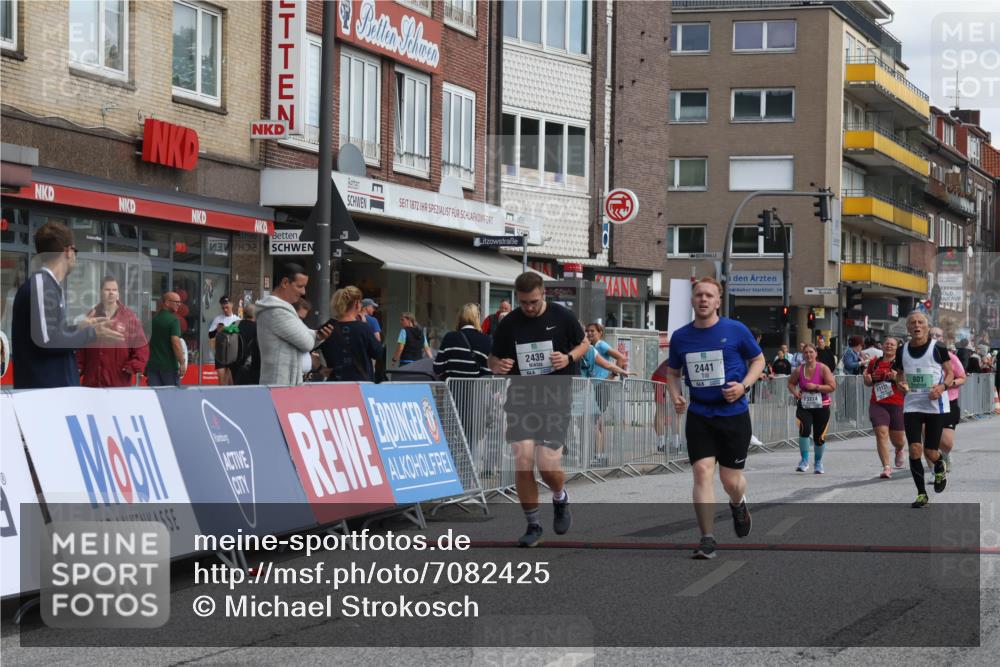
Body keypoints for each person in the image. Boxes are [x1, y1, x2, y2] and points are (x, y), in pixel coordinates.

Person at [660, 277, 766, 560]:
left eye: (709, 295)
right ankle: (707, 538)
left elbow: (759, 361)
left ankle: (738, 502)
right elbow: (673, 372)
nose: (703, 299)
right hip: (700, 414)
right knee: (701, 472)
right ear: (692, 301)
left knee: (731, 481)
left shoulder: (735, 330)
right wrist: (676, 394)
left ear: (718, 301)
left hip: (733, 414)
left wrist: (743, 385)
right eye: (698, 295)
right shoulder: (681, 336)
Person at [488, 272, 590, 548]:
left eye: (533, 302)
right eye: (523, 303)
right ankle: (533, 525)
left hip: (555, 398)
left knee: (547, 465)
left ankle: (560, 497)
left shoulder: (562, 316)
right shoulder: (509, 323)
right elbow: (493, 357)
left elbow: (584, 343)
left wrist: (567, 357)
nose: (529, 308)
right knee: (522, 463)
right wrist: (497, 365)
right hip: (521, 398)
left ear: (543, 294)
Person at [12, 222, 123, 389]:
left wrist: (78, 328)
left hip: (52, 392)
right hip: (45, 394)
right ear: (68, 251)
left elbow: (50, 335)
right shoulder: (42, 285)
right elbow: (47, 341)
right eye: (75, 251)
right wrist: (91, 333)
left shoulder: (48, 285)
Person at [894, 311, 955, 508]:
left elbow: (949, 373)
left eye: (920, 322)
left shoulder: (937, 347)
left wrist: (941, 387)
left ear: (927, 327)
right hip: (912, 405)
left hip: (934, 406)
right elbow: (899, 375)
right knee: (914, 449)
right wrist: (901, 383)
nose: (917, 325)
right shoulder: (902, 350)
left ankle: (939, 465)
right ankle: (921, 494)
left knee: (930, 451)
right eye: (913, 323)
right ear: (908, 328)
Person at [254, 263, 333, 386]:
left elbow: (304, 339)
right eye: (300, 286)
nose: (303, 292)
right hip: (279, 385)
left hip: (283, 384)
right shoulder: (276, 311)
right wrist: (314, 335)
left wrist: (317, 336)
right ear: (285, 283)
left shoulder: (278, 309)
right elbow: (306, 343)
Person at [77, 276, 149, 387]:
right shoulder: (91, 315)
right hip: (93, 382)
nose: (111, 293)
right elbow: (81, 347)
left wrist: (133, 366)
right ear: (100, 292)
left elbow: (141, 347)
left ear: (118, 293)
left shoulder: (129, 317)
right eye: (107, 289)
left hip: (119, 381)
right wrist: (77, 368)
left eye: (114, 290)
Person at [580, 323, 633, 466]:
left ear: (600, 333)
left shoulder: (600, 345)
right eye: (587, 331)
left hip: (601, 386)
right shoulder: (590, 347)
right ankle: (598, 454)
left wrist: (611, 376)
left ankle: (600, 455)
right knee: (595, 422)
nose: (590, 334)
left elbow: (621, 358)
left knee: (595, 422)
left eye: (593, 331)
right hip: (594, 386)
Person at [787, 343, 837, 474]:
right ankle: (804, 461)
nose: (808, 355)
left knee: (819, 437)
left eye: (811, 352)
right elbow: (791, 383)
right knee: (805, 429)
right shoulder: (799, 369)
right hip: (805, 406)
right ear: (803, 354)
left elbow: (832, 386)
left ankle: (818, 462)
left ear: (816, 354)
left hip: (822, 406)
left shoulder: (823, 368)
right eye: (806, 352)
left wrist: (816, 387)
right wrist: (795, 392)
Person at [863, 337, 907, 479]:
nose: (889, 346)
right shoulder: (874, 362)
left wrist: (896, 378)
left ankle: (899, 449)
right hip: (878, 403)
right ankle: (886, 467)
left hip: (896, 404)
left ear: (897, 348)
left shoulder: (901, 364)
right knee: (881, 434)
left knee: (898, 440)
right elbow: (868, 381)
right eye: (886, 343)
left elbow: (906, 384)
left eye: (892, 344)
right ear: (882, 346)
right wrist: (868, 380)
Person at [319, 286, 382, 382]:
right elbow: (378, 353)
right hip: (360, 384)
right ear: (357, 304)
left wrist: (320, 368)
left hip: (335, 382)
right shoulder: (363, 328)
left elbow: (306, 348)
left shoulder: (327, 327)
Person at [931, 326, 967, 473]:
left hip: (949, 401)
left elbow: (962, 378)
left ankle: (945, 453)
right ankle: (935, 470)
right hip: (928, 401)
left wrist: (948, 384)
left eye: (937, 335)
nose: (934, 337)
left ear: (942, 339)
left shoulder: (951, 357)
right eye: (931, 335)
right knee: (930, 437)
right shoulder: (921, 356)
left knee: (947, 443)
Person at [434, 303, 492, 380]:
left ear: (459, 318)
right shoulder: (486, 340)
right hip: (475, 390)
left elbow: (437, 368)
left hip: (451, 389)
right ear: (477, 318)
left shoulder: (449, 337)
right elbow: (487, 372)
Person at [146, 292, 188, 386]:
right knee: (172, 397)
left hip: (152, 366)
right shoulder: (173, 320)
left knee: (156, 397)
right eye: (176, 302)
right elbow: (176, 343)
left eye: (180, 302)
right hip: (169, 367)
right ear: (167, 302)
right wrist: (182, 363)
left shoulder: (153, 319)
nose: (179, 304)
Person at [208, 296, 241, 385]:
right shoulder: (218, 319)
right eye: (223, 308)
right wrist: (216, 330)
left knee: (231, 382)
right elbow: (210, 335)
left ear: (232, 305)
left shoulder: (237, 320)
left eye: (227, 307)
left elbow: (240, 338)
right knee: (221, 381)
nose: (225, 310)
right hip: (220, 353)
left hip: (232, 354)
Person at [233, 303, 261, 385]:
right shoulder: (258, 328)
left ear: (244, 313)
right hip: (251, 368)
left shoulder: (235, 324)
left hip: (234, 365)